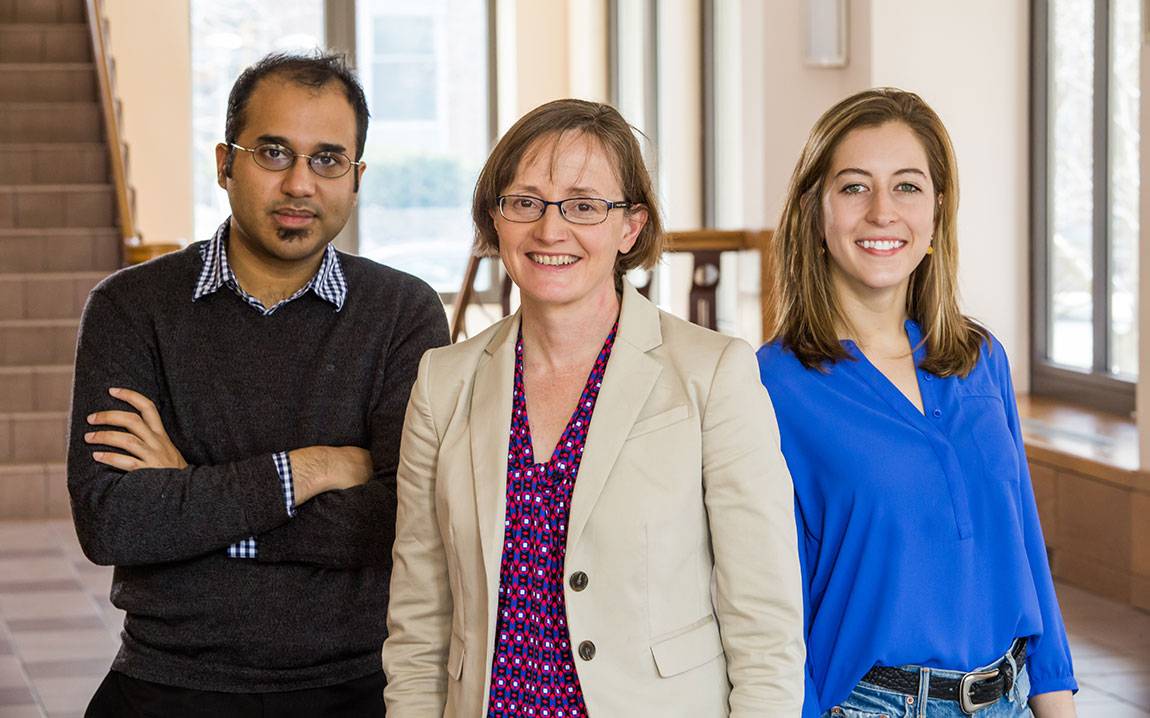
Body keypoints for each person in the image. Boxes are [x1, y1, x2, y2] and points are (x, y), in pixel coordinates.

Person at [382, 98, 805, 716]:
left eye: (584, 205)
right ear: (495, 219)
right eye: (525, 202)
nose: (550, 230)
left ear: (630, 227)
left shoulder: (712, 375)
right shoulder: (443, 382)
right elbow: (420, 622)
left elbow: (764, 624)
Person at [68, 52, 448, 717]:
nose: (301, 183)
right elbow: (114, 522)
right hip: (168, 682)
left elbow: (403, 521)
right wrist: (315, 467)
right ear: (224, 162)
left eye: (328, 159)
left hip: (355, 687)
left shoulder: (401, 313)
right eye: (274, 153)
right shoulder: (131, 309)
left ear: (356, 178)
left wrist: (194, 491)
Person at [757, 87, 1078, 717]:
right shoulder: (771, 385)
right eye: (854, 187)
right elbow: (771, 608)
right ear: (815, 213)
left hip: (1007, 699)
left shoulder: (980, 358)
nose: (883, 211)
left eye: (907, 186)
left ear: (936, 212)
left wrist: (1056, 703)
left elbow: (1025, 554)